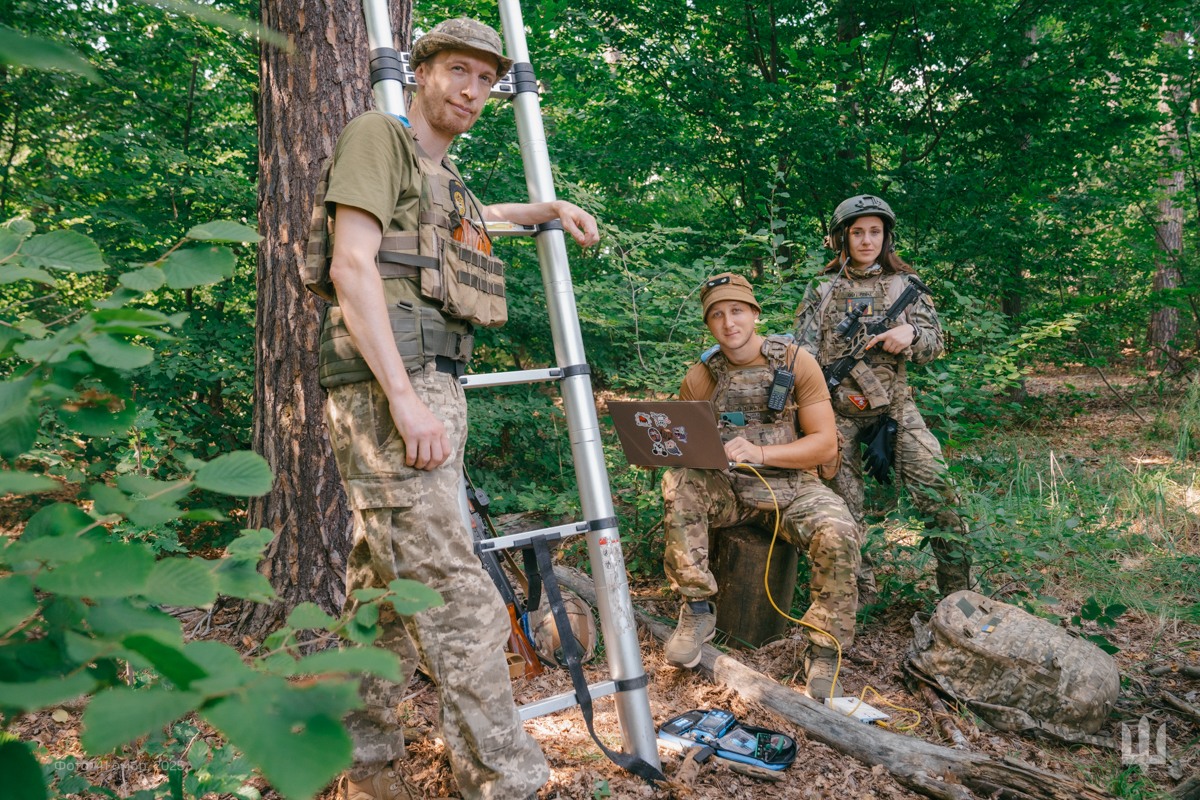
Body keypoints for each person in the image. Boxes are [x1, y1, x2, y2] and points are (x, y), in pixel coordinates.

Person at [316, 18, 599, 800]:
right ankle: (506, 782)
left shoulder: (439, 172)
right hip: (393, 389)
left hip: (430, 383)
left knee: (380, 592)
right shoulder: (380, 135)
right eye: (458, 72)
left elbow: (469, 220)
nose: (472, 91)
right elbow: (351, 264)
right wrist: (405, 402)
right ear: (423, 72)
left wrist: (545, 208)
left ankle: (360, 759)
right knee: (458, 595)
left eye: (486, 79)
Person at [661, 272, 861, 699]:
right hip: (731, 491)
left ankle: (824, 649)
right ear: (708, 324)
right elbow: (683, 444)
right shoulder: (701, 376)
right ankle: (697, 608)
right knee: (679, 482)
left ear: (755, 314)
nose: (728, 322)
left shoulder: (794, 363)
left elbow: (825, 444)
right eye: (717, 315)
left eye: (736, 311)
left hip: (792, 489)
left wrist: (762, 452)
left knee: (838, 530)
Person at [793, 194, 970, 604]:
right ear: (841, 238)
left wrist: (911, 334)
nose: (867, 240)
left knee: (940, 492)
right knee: (843, 510)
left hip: (895, 407)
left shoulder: (904, 285)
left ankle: (959, 599)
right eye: (857, 232)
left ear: (886, 237)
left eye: (875, 232)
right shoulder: (822, 289)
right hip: (835, 412)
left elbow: (935, 344)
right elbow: (801, 353)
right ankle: (859, 595)